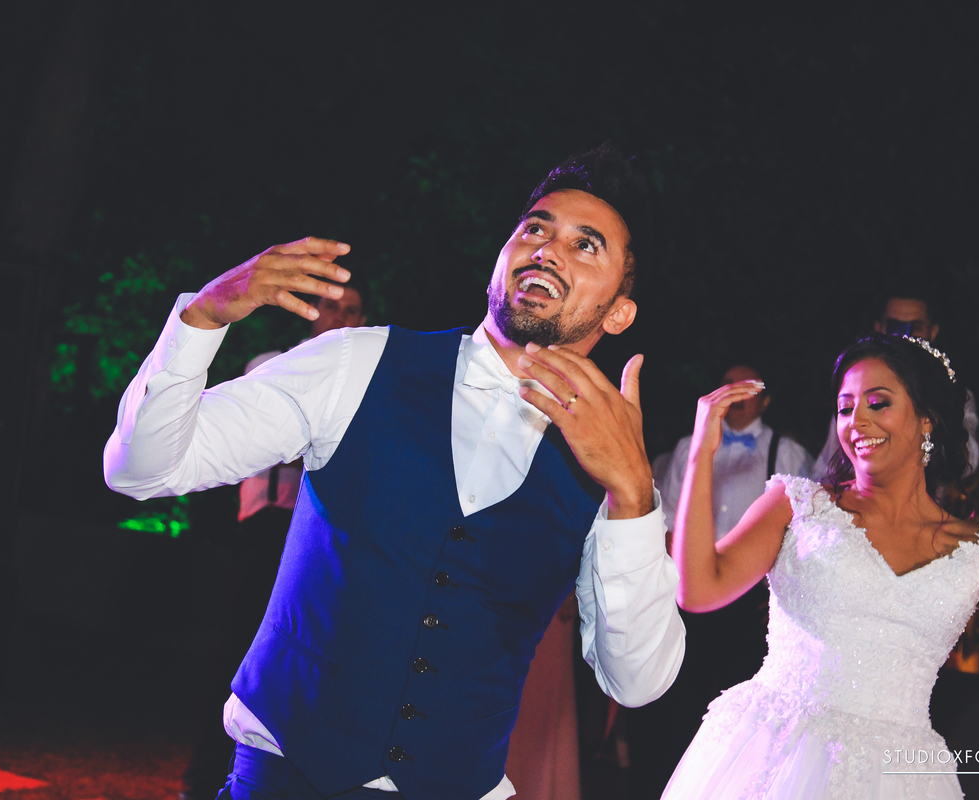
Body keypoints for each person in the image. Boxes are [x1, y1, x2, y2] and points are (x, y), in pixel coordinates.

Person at [103, 145, 686, 800]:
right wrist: (204, 316)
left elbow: (638, 681)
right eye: (535, 229)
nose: (548, 249)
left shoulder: (616, 480)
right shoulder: (358, 363)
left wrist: (633, 496)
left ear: (619, 313)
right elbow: (141, 469)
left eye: (585, 245)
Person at [662, 333, 979, 799]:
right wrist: (701, 454)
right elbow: (697, 590)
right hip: (776, 755)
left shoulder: (977, 550)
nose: (857, 421)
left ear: (926, 418)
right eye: (845, 408)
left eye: (878, 403)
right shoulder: (797, 505)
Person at [179, 282, 369, 800]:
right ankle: (205, 778)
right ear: (312, 313)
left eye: (352, 311)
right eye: (332, 307)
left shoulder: (366, 384)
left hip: (321, 536)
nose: (341, 318)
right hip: (266, 530)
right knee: (240, 650)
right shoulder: (275, 364)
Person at [626, 364, 813, 797]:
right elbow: (667, 516)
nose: (739, 394)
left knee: (746, 711)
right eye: (731, 385)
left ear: (765, 401)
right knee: (675, 702)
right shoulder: (688, 445)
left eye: (750, 387)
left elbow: (802, 531)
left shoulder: (786, 452)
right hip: (689, 591)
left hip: (751, 600)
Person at [812, 286, 979, 480]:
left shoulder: (949, 393)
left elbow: (967, 459)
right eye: (895, 326)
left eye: (915, 327)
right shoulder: (856, 387)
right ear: (879, 328)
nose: (905, 335)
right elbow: (825, 469)